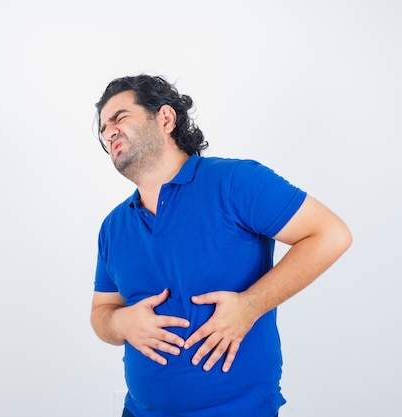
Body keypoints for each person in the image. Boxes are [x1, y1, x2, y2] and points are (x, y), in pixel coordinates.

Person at [90, 74, 352, 417]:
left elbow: (330, 234)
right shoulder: (113, 227)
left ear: (166, 118)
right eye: (103, 128)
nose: (109, 132)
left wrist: (249, 306)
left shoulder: (235, 182)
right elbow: (101, 314)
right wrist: (121, 324)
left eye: (120, 117)